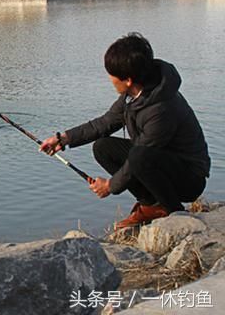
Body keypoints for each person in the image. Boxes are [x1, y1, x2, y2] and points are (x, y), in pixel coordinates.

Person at [40, 33, 210, 229]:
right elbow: (105, 123)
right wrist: (63, 139)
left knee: (138, 156)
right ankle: (152, 206)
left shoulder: (161, 109)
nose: (110, 79)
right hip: (159, 160)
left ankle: (173, 210)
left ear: (128, 79)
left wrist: (110, 186)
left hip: (189, 178)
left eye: (111, 74)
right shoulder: (136, 92)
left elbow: (140, 156)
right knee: (103, 147)